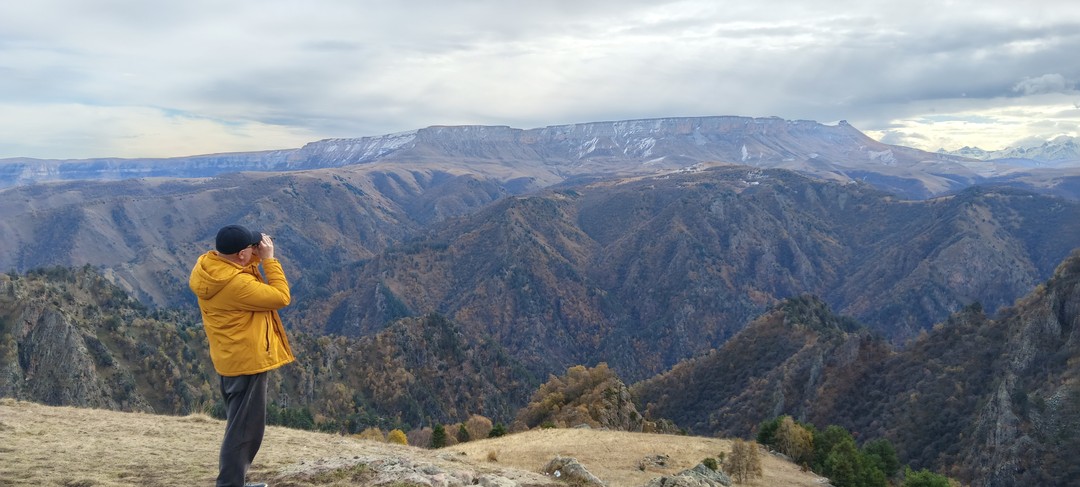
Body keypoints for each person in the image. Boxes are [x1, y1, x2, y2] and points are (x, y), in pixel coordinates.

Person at [189, 224, 295, 487]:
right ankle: (230, 485)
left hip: (231, 359)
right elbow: (281, 297)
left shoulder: (211, 267)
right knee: (244, 434)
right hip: (247, 363)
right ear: (241, 254)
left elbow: (241, 268)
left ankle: (235, 482)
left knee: (239, 427)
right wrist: (269, 260)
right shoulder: (236, 285)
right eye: (250, 247)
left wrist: (252, 254)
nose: (255, 250)